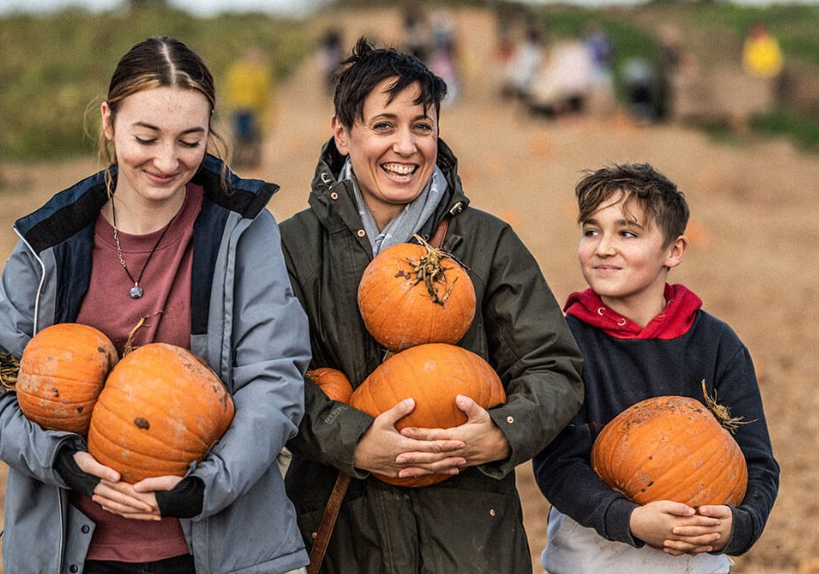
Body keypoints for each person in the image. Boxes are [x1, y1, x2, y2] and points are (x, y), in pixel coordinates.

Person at [0, 36, 310, 574]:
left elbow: (274, 380)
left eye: (190, 141)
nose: (167, 162)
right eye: (147, 137)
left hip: (217, 550)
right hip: (71, 554)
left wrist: (203, 485)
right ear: (108, 122)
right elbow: (3, 383)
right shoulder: (47, 246)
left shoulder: (242, 230)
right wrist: (62, 461)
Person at [279, 38, 584, 574]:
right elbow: (265, 379)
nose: (406, 145)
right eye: (383, 126)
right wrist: (352, 440)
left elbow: (554, 368)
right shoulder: (292, 248)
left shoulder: (486, 243)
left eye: (422, 126)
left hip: (469, 540)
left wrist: (500, 432)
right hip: (342, 538)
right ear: (342, 134)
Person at [532, 163, 779, 574]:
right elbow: (557, 464)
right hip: (589, 564)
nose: (603, 247)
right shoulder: (564, 343)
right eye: (592, 231)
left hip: (693, 565)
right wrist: (629, 519)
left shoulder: (718, 345)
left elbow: (757, 464)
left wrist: (738, 525)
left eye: (627, 233)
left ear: (674, 251)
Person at [225, 45, 273, 168]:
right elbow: (231, 89)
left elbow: (265, 93)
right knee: (238, 137)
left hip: (255, 109)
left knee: (254, 137)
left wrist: (266, 111)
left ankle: (252, 161)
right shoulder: (237, 71)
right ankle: (237, 160)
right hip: (239, 108)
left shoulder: (261, 73)